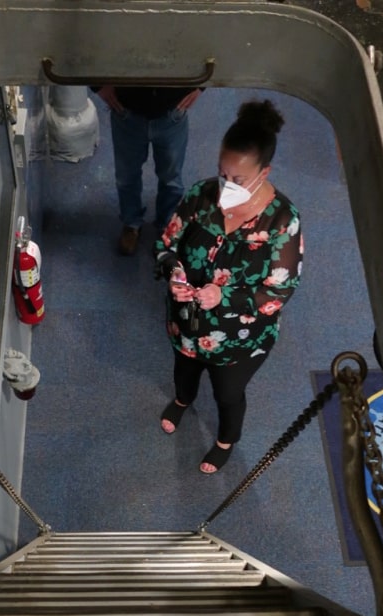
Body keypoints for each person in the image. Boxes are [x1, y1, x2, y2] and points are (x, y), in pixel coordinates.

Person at [155, 99, 303, 473]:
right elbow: (166, 243)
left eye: (238, 180)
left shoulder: (283, 221)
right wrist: (173, 271)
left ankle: (225, 440)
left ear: (264, 172)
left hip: (240, 336)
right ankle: (183, 400)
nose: (226, 187)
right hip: (186, 321)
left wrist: (225, 296)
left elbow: (279, 291)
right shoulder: (200, 196)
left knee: (227, 393)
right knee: (184, 371)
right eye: (222, 174)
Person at [95, 86, 202, 255]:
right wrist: (97, 86)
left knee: (171, 178)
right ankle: (131, 223)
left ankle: (168, 224)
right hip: (127, 110)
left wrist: (202, 85)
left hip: (172, 110)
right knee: (126, 176)